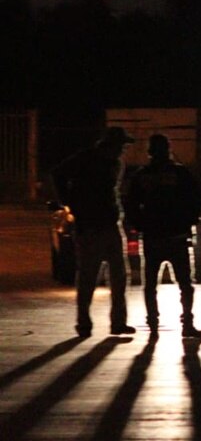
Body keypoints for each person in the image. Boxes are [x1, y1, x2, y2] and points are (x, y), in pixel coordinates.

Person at [52, 126, 138, 337]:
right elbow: (58, 174)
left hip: (110, 224)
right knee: (89, 276)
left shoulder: (115, 163)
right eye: (121, 145)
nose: (123, 150)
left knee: (119, 276)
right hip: (90, 226)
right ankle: (84, 322)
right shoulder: (86, 159)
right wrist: (69, 202)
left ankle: (118, 322)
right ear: (111, 144)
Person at [125, 134, 201, 338]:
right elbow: (196, 199)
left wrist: (141, 225)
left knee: (151, 285)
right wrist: (189, 221)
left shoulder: (143, 175)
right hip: (176, 237)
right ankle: (186, 323)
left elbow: (130, 204)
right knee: (185, 284)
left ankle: (153, 324)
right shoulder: (180, 173)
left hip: (154, 237)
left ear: (150, 152)